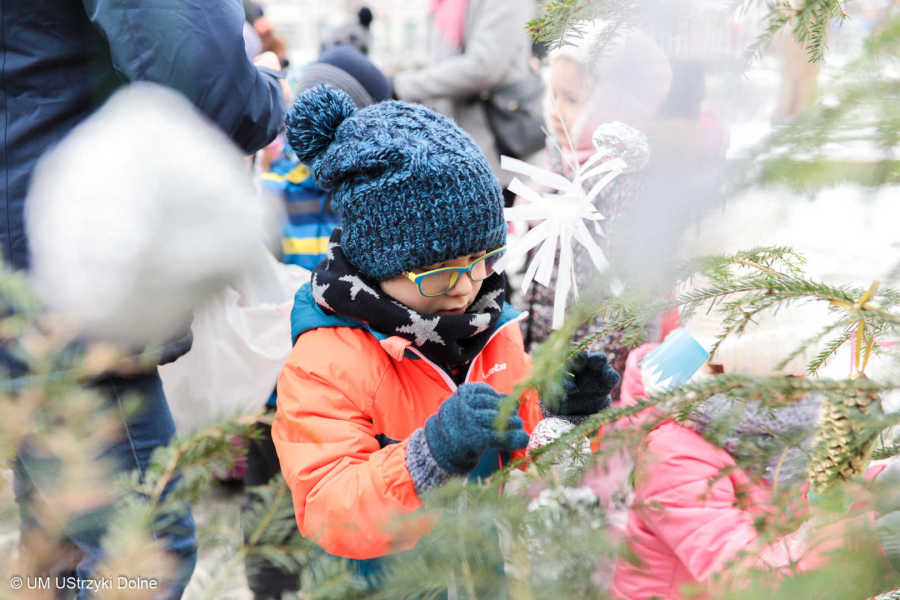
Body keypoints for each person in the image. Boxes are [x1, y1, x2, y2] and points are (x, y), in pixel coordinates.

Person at [271, 84, 619, 590]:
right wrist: (427, 456)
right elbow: (329, 508)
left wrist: (568, 416)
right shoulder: (326, 360)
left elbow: (525, 459)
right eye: (439, 274)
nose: (466, 290)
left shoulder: (491, 327)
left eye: (481, 262)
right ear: (376, 264)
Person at [1, 1, 286, 596]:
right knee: (138, 553)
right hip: (70, 276)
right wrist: (273, 95)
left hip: (26, 263)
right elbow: (205, 78)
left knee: (57, 542)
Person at [244, 46, 392, 600]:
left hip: (346, 390)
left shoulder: (372, 201)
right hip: (281, 383)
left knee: (326, 498)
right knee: (274, 499)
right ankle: (273, 585)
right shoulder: (273, 195)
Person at [518, 22, 672, 396]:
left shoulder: (626, 183)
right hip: (546, 348)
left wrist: (592, 376)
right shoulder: (563, 162)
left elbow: (628, 294)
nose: (555, 111)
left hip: (593, 370)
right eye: (552, 96)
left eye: (571, 100)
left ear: (618, 104)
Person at [391, 0, 537, 199]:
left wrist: (402, 85)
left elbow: (484, 66)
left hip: (493, 150)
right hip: (448, 154)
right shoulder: (443, 5)